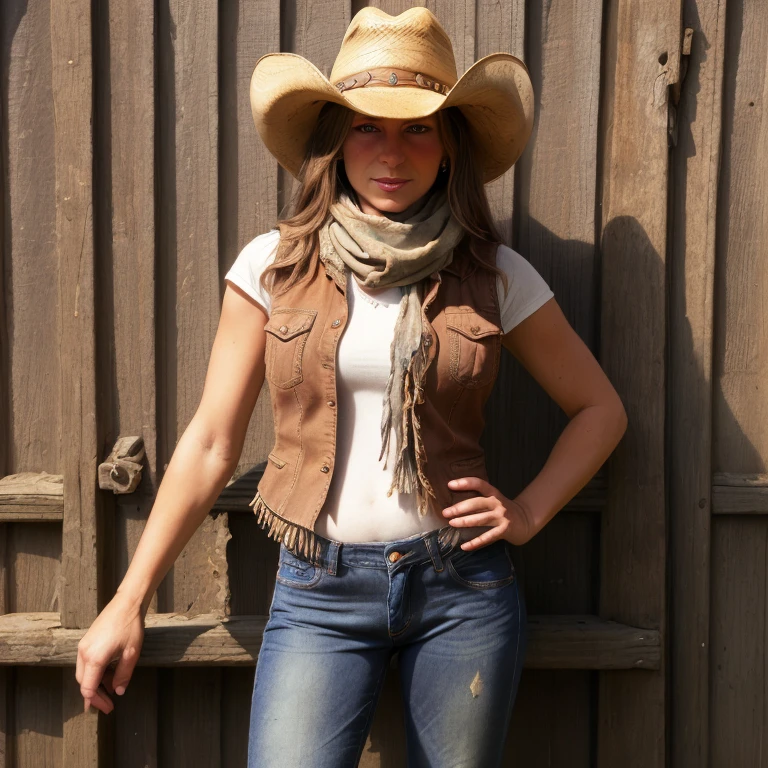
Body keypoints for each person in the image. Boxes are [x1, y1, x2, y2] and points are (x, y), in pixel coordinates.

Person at [76, 7, 627, 767]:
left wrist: (528, 511)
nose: (391, 153)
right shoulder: (273, 266)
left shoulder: (494, 274)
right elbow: (209, 442)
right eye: (367, 126)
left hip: (461, 588)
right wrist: (127, 601)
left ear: (450, 145)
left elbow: (601, 411)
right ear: (335, 141)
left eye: (418, 128)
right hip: (319, 592)